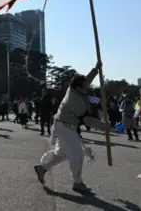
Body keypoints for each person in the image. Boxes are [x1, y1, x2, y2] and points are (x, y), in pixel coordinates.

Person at [34, 61, 104, 194]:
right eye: (84, 87)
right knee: (77, 153)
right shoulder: (74, 99)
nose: (86, 88)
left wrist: (95, 69)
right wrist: (103, 126)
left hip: (65, 125)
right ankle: (77, 183)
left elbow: (86, 81)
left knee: (63, 154)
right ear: (78, 87)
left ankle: (42, 169)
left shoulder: (74, 89)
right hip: (64, 126)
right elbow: (86, 120)